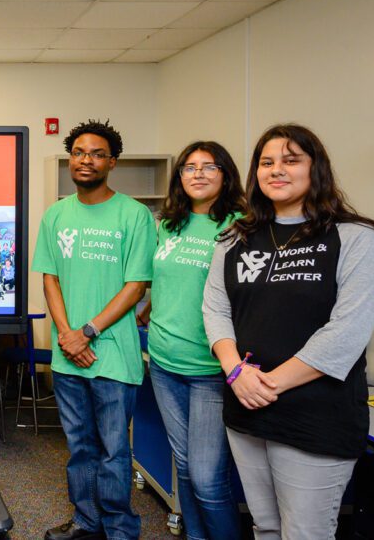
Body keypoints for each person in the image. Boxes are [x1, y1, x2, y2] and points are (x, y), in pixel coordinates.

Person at [203, 124, 374, 540]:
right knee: (265, 526)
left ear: (315, 168)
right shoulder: (234, 239)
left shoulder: (357, 238)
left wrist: (265, 384)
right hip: (245, 410)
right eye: (267, 162)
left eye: (291, 160)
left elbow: (346, 331)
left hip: (314, 414)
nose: (277, 170)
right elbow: (215, 309)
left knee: (305, 532)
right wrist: (236, 372)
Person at [32, 119, 155, 540]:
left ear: (112, 162)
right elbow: (50, 279)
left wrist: (86, 331)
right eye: (80, 153)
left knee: (113, 451)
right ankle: (87, 523)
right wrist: (67, 334)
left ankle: (121, 529)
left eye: (97, 154)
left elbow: (136, 284)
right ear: (71, 159)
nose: (87, 160)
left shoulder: (135, 215)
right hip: (68, 357)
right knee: (79, 448)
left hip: (113, 356)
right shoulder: (56, 214)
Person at [142, 141, 245, 540]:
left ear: (225, 174)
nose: (198, 174)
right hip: (165, 360)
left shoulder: (240, 225)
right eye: (189, 167)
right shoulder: (169, 222)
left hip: (210, 368)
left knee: (207, 478)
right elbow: (165, 281)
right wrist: (150, 307)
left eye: (209, 166)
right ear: (179, 176)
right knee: (184, 465)